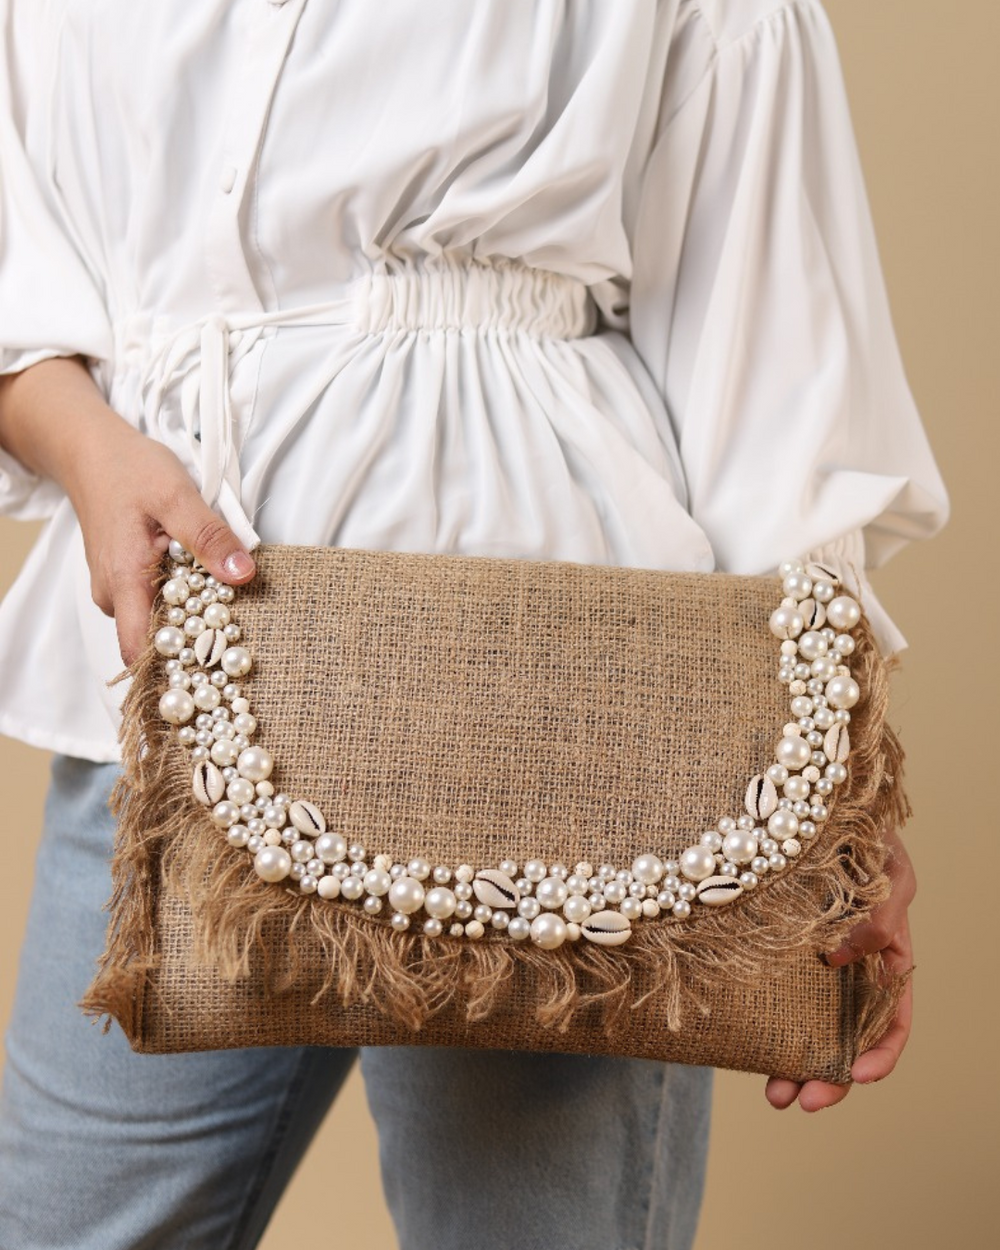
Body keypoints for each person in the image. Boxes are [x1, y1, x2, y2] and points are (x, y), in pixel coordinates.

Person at [0, 1, 949, 1247]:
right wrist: (92, 451)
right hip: (188, 685)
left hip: (573, 715)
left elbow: (777, 385)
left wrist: (829, 818)